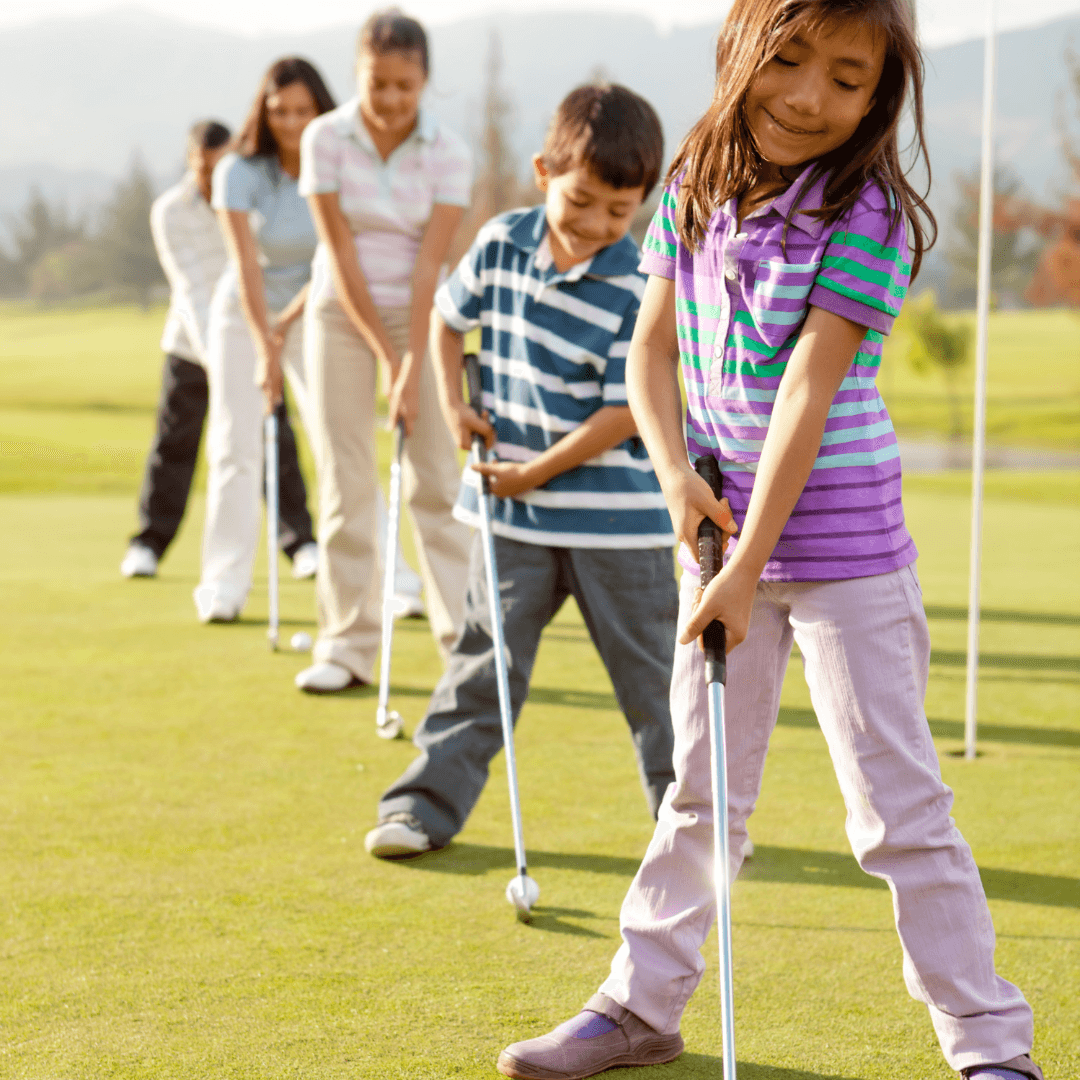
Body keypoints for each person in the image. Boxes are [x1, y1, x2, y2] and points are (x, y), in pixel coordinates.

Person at [497, 4, 1044, 1080]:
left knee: (897, 815)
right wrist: (674, 480)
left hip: (844, 555)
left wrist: (749, 565)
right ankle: (642, 1006)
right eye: (786, 59)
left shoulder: (871, 211)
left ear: (879, 95)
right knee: (700, 797)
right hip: (716, 546)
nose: (806, 95)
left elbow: (806, 389)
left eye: (845, 77)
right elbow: (651, 351)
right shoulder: (695, 178)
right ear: (743, 51)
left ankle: (991, 1048)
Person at [364, 83, 679, 859]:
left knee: (653, 685)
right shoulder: (501, 242)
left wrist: (535, 470)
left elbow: (624, 410)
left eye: (620, 210)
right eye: (581, 201)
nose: (597, 224)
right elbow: (445, 322)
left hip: (618, 525)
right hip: (513, 517)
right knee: (484, 667)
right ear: (544, 172)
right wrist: (452, 406)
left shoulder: (642, 279)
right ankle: (421, 807)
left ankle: (695, 824)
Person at [295, 11, 473, 692]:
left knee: (436, 480)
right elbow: (339, 253)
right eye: (377, 83)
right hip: (341, 311)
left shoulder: (450, 152)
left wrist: (411, 359)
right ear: (357, 74)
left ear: (424, 80)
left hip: (422, 312)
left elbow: (431, 266)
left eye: (405, 85)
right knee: (344, 481)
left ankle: (464, 649)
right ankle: (346, 646)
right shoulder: (324, 138)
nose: (391, 99)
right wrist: (388, 356)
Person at [122, 120, 315, 581]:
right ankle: (149, 543)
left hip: (254, 339)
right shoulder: (170, 211)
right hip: (191, 344)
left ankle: (301, 544)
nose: (214, 176)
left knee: (276, 438)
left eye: (222, 164)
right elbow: (191, 291)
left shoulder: (249, 195)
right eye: (205, 168)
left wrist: (252, 351)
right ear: (191, 162)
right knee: (175, 443)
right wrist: (224, 364)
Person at [194, 58, 330, 622]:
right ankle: (222, 584)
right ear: (263, 112)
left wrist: (287, 325)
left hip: (313, 309)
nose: (291, 123)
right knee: (235, 444)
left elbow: (336, 258)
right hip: (242, 313)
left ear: (321, 111)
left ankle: (388, 576)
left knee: (335, 439)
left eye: (302, 111)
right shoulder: (237, 170)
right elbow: (245, 264)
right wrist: (265, 343)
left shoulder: (339, 163)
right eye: (280, 112)